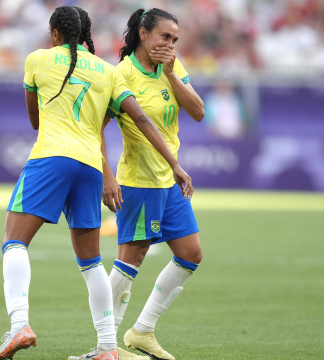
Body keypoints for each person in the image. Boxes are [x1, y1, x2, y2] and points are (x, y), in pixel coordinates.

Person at [0, 6, 193, 360]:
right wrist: (175, 163)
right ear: (86, 35)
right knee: (91, 262)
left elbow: (35, 119)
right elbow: (142, 118)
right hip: (90, 168)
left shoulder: (38, 59)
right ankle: (107, 348)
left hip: (51, 157)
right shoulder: (107, 71)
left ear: (55, 34)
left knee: (14, 241)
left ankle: (20, 323)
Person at [101, 8, 205, 360]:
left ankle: (142, 330)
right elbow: (95, 129)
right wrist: (107, 175)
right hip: (140, 182)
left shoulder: (172, 68)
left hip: (171, 182)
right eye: (165, 37)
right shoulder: (120, 75)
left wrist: (174, 75)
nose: (171, 44)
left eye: (175, 39)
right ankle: (105, 344)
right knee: (132, 258)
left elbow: (199, 111)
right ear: (143, 34)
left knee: (190, 255)